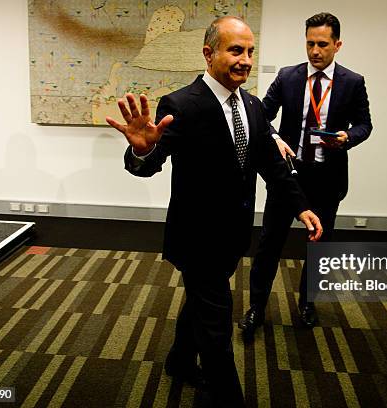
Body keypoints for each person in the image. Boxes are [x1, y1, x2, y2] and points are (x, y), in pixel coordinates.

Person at [106, 16, 322, 408]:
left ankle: (179, 360)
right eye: (235, 50)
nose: (245, 60)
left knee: (201, 304)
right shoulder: (181, 104)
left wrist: (301, 206)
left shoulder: (253, 107)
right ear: (209, 53)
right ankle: (227, 397)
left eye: (250, 51)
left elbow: (271, 165)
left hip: (232, 235)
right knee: (218, 325)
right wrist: (141, 149)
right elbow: (150, 163)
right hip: (196, 238)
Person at [239, 12, 372, 334]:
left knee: (319, 245)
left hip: (328, 178)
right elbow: (262, 116)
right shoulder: (288, 77)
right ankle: (256, 306)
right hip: (289, 176)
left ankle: (307, 303)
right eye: (310, 43)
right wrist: (274, 138)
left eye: (322, 44)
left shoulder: (353, 82)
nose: (315, 51)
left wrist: (348, 138)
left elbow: (365, 124)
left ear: (337, 45)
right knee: (270, 243)